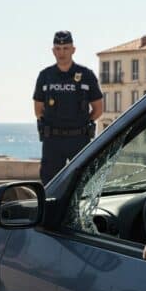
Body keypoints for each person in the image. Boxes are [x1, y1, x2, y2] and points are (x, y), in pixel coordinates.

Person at [33, 30, 103, 185]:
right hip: (53, 141)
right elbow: (38, 110)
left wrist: (83, 122)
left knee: (83, 182)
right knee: (50, 185)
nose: (62, 52)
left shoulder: (86, 75)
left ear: (73, 49)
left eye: (66, 48)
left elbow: (98, 109)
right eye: (58, 49)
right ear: (53, 51)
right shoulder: (45, 76)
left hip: (79, 139)